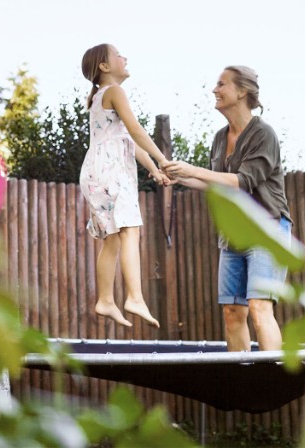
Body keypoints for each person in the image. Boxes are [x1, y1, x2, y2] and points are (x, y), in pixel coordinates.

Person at [162, 66, 290, 351]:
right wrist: (178, 178)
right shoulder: (220, 138)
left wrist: (191, 169)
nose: (214, 90)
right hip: (232, 236)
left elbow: (242, 182)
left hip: (266, 229)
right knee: (232, 313)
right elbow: (218, 186)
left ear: (242, 91)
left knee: (259, 307)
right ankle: (243, 384)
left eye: (221, 84)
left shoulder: (263, 134)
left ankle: (273, 380)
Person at [78, 43, 169, 328]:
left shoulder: (98, 97)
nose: (124, 57)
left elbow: (127, 141)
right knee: (131, 230)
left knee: (114, 238)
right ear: (104, 67)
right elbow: (136, 130)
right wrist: (163, 159)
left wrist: (154, 170)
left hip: (96, 171)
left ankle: (105, 300)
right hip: (111, 170)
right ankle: (135, 297)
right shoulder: (115, 92)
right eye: (118, 55)